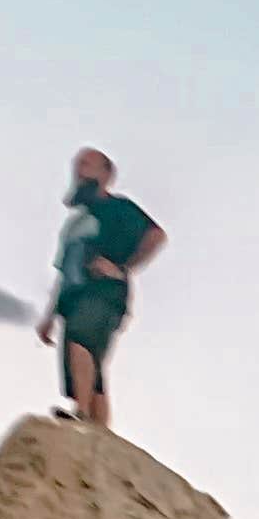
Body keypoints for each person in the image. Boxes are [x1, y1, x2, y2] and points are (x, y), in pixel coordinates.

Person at [38, 147, 167, 431]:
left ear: (106, 174)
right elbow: (63, 272)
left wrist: (123, 269)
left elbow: (155, 235)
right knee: (90, 366)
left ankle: (81, 413)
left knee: (82, 341)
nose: (79, 170)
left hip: (104, 291)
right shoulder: (74, 224)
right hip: (74, 297)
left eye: (87, 164)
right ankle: (99, 432)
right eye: (77, 165)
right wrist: (49, 317)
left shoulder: (118, 208)